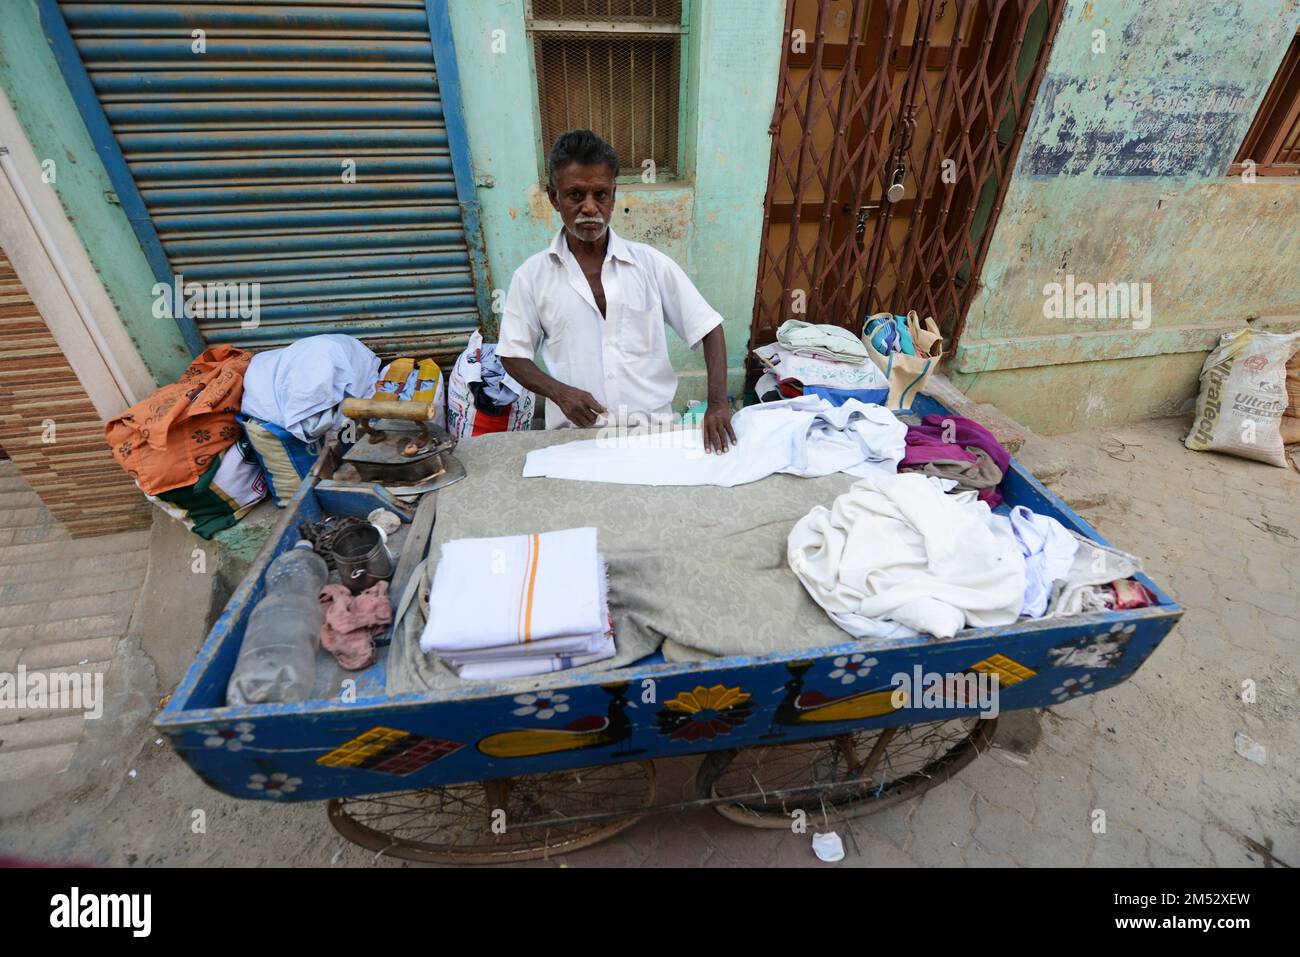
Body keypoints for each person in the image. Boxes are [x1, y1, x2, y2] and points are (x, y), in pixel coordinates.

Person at [497, 130, 737, 453]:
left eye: (600, 195)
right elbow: (513, 354)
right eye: (575, 196)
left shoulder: (651, 266)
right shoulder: (531, 277)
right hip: (575, 440)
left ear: (614, 194)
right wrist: (560, 393)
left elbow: (709, 328)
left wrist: (718, 403)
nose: (590, 208)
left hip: (653, 436)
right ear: (554, 197)